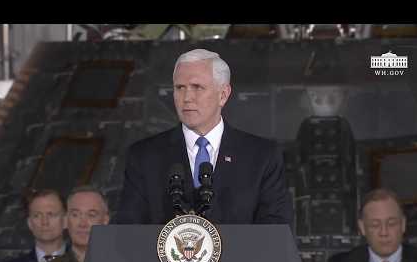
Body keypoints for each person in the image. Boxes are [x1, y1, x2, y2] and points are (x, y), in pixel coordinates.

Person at [116, 48, 293, 226]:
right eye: (180, 88)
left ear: (223, 95)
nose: (187, 98)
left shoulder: (262, 156)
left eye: (197, 87)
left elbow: (275, 232)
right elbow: (128, 230)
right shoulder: (144, 156)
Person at [34, 186, 137, 262]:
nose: (83, 223)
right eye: (75, 215)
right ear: (65, 220)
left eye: (91, 215)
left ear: (105, 220)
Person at [324, 188, 417, 262]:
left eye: (391, 223)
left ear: (403, 224)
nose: (384, 232)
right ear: (362, 227)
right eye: (375, 225)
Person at [0, 189, 68, 262]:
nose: (44, 222)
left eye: (51, 214)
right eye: (37, 215)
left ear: (65, 221)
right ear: (29, 223)